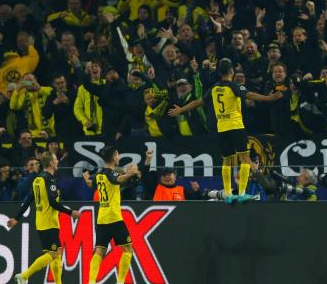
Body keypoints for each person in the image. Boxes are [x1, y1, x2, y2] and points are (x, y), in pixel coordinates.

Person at [168, 58, 282, 203]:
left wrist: (181, 110)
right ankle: (241, 193)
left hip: (221, 128)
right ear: (231, 72)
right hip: (235, 126)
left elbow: (198, 102)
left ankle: (228, 194)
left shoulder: (214, 88)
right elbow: (250, 95)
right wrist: (269, 98)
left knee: (226, 161)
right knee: (245, 159)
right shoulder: (234, 86)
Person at [8, 152, 81, 284]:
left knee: (57, 252)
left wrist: (16, 218)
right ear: (51, 163)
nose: (58, 161)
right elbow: (52, 202)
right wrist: (70, 212)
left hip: (42, 221)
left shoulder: (38, 179)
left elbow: (29, 199)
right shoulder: (49, 179)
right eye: (55, 159)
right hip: (49, 222)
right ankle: (24, 276)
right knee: (53, 254)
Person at [88, 146, 140, 284]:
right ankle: (121, 281)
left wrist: (86, 178)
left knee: (99, 251)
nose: (119, 156)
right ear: (114, 156)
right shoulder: (110, 173)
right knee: (128, 249)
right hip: (114, 217)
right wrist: (130, 173)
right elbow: (117, 180)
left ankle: (91, 281)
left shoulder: (99, 174)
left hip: (101, 218)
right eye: (118, 154)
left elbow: (89, 183)